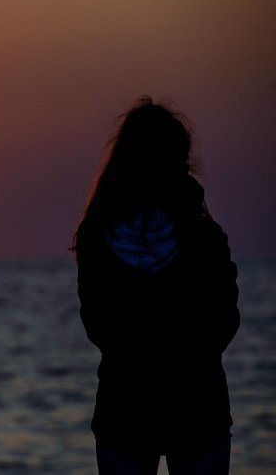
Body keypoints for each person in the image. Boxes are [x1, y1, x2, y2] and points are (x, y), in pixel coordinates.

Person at [73, 97, 240, 474]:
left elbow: (97, 326)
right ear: (179, 161)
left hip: (124, 410)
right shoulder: (206, 237)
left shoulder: (96, 235)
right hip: (200, 407)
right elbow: (225, 322)